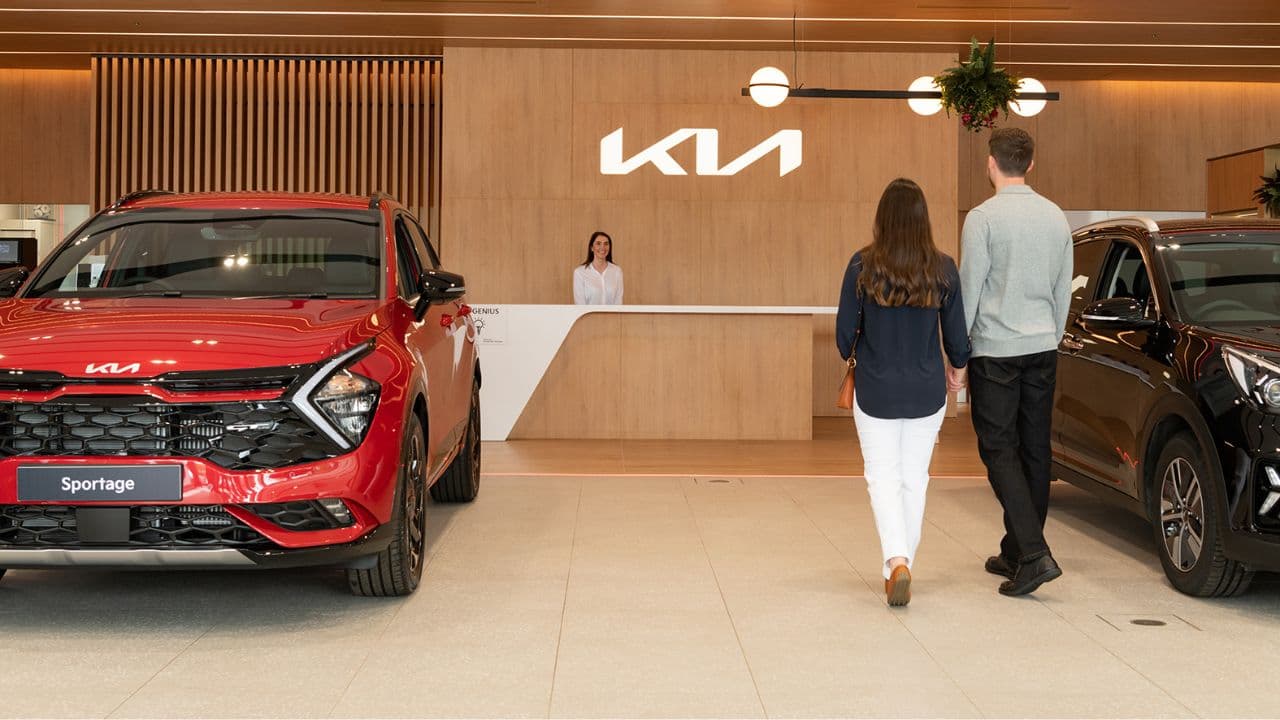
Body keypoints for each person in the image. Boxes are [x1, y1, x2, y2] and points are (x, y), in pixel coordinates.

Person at [836, 178, 970, 607]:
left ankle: (897, 561)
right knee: (915, 478)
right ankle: (901, 564)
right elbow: (957, 338)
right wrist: (958, 371)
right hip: (927, 391)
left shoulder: (862, 266)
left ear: (882, 218)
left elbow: (844, 337)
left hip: (876, 388)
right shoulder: (943, 268)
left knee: (882, 478)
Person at [956, 127, 1073, 597]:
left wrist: (958, 352)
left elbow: (970, 289)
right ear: (1031, 163)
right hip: (1043, 345)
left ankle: (1033, 553)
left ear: (991, 163)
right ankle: (1015, 549)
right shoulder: (1055, 217)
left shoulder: (982, 218)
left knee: (999, 449)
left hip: (996, 350)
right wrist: (1052, 334)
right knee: (1035, 449)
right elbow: (1064, 286)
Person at [573, 231, 623, 304]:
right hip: (589, 312)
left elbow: (618, 302)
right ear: (592, 248)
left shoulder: (617, 271)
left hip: (612, 312)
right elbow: (580, 304)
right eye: (598, 243)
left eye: (606, 244)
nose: (602, 247)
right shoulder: (580, 273)